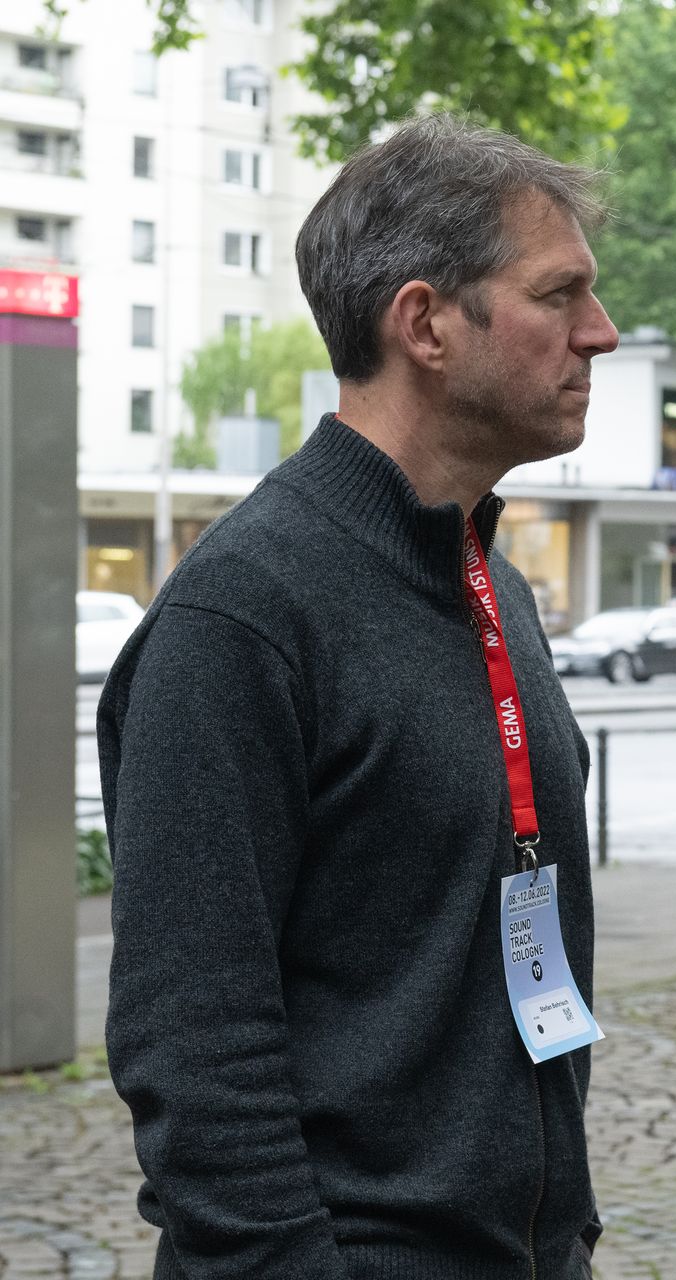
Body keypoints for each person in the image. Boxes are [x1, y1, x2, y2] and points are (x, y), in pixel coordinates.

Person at [99, 114, 621, 1279]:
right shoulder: (240, 617)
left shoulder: (492, 581)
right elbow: (194, 1049)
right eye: (561, 293)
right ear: (426, 322)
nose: (603, 332)